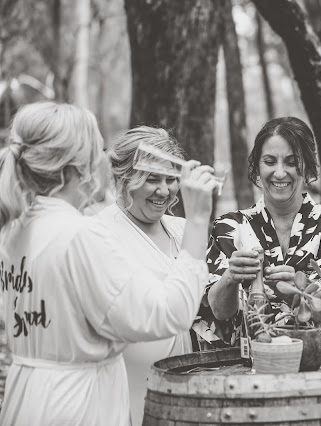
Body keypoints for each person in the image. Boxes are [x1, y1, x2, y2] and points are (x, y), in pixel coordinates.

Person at [0, 102, 216, 425]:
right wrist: (198, 219)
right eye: (99, 149)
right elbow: (169, 313)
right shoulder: (80, 236)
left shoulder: (17, 229)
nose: (106, 159)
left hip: (27, 396)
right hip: (75, 405)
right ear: (79, 166)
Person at [197, 117, 321, 348]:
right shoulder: (229, 227)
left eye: (291, 162)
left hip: (320, 361)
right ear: (257, 167)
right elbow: (220, 311)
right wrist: (230, 277)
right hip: (246, 363)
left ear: (307, 167)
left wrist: (298, 292)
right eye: (270, 162)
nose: (280, 173)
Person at [95, 126, 197, 426]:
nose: (164, 191)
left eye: (170, 179)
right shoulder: (100, 234)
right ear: (123, 178)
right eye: (152, 179)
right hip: (126, 387)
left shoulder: (183, 230)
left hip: (186, 385)